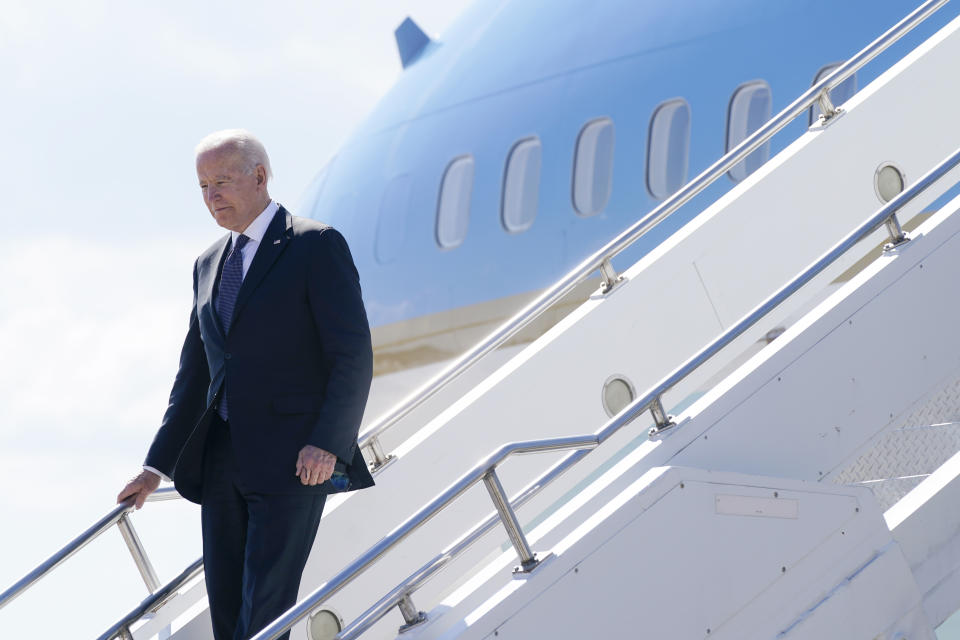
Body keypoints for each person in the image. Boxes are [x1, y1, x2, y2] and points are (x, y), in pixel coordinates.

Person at [116, 129, 374, 640]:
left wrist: (327, 442)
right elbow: (195, 374)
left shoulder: (314, 245)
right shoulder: (208, 262)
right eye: (204, 186)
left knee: (267, 605)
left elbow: (353, 355)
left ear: (259, 177)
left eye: (222, 182)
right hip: (222, 460)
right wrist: (155, 467)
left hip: (295, 460)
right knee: (228, 609)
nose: (212, 196)